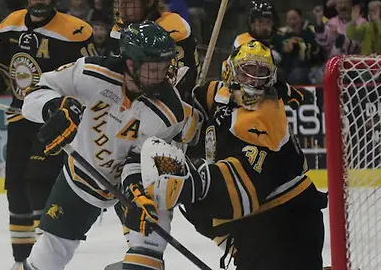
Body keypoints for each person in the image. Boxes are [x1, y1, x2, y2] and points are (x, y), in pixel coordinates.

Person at [20, 21, 201, 270]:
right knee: (47, 257)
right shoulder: (90, 73)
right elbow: (34, 93)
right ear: (130, 64)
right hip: (80, 176)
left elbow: (139, 158)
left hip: (132, 184)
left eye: (164, 66)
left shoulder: (169, 112)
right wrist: (53, 107)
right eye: (153, 68)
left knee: (148, 248)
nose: (161, 74)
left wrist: (138, 196)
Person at [140, 40, 328, 269]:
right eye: (248, 70)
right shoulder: (219, 92)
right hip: (258, 223)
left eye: (261, 73)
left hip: (287, 221)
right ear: (231, 70)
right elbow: (199, 112)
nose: (253, 80)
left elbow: (245, 184)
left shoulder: (264, 118)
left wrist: (196, 183)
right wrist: (178, 96)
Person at [0, 0, 96, 268]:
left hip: (56, 124)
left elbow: (90, 79)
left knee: (40, 186)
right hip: (19, 117)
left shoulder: (76, 31)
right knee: (16, 190)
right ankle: (21, 261)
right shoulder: (10, 25)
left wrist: (75, 113)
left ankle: (44, 259)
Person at [109, 0, 200, 101]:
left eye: (128, 2)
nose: (121, 11)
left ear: (149, 0)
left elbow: (179, 86)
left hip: (167, 107)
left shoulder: (173, 28)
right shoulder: (119, 28)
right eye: (118, 2)